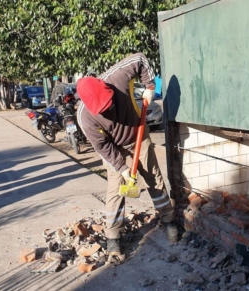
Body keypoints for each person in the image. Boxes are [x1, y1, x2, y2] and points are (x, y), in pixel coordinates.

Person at [76, 53, 178, 260]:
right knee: (115, 191)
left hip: (139, 134)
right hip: (114, 148)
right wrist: (122, 169)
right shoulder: (85, 117)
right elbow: (103, 147)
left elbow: (139, 59)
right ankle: (113, 236)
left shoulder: (116, 78)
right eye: (104, 110)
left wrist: (149, 87)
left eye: (110, 103)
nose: (110, 109)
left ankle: (168, 220)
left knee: (154, 179)